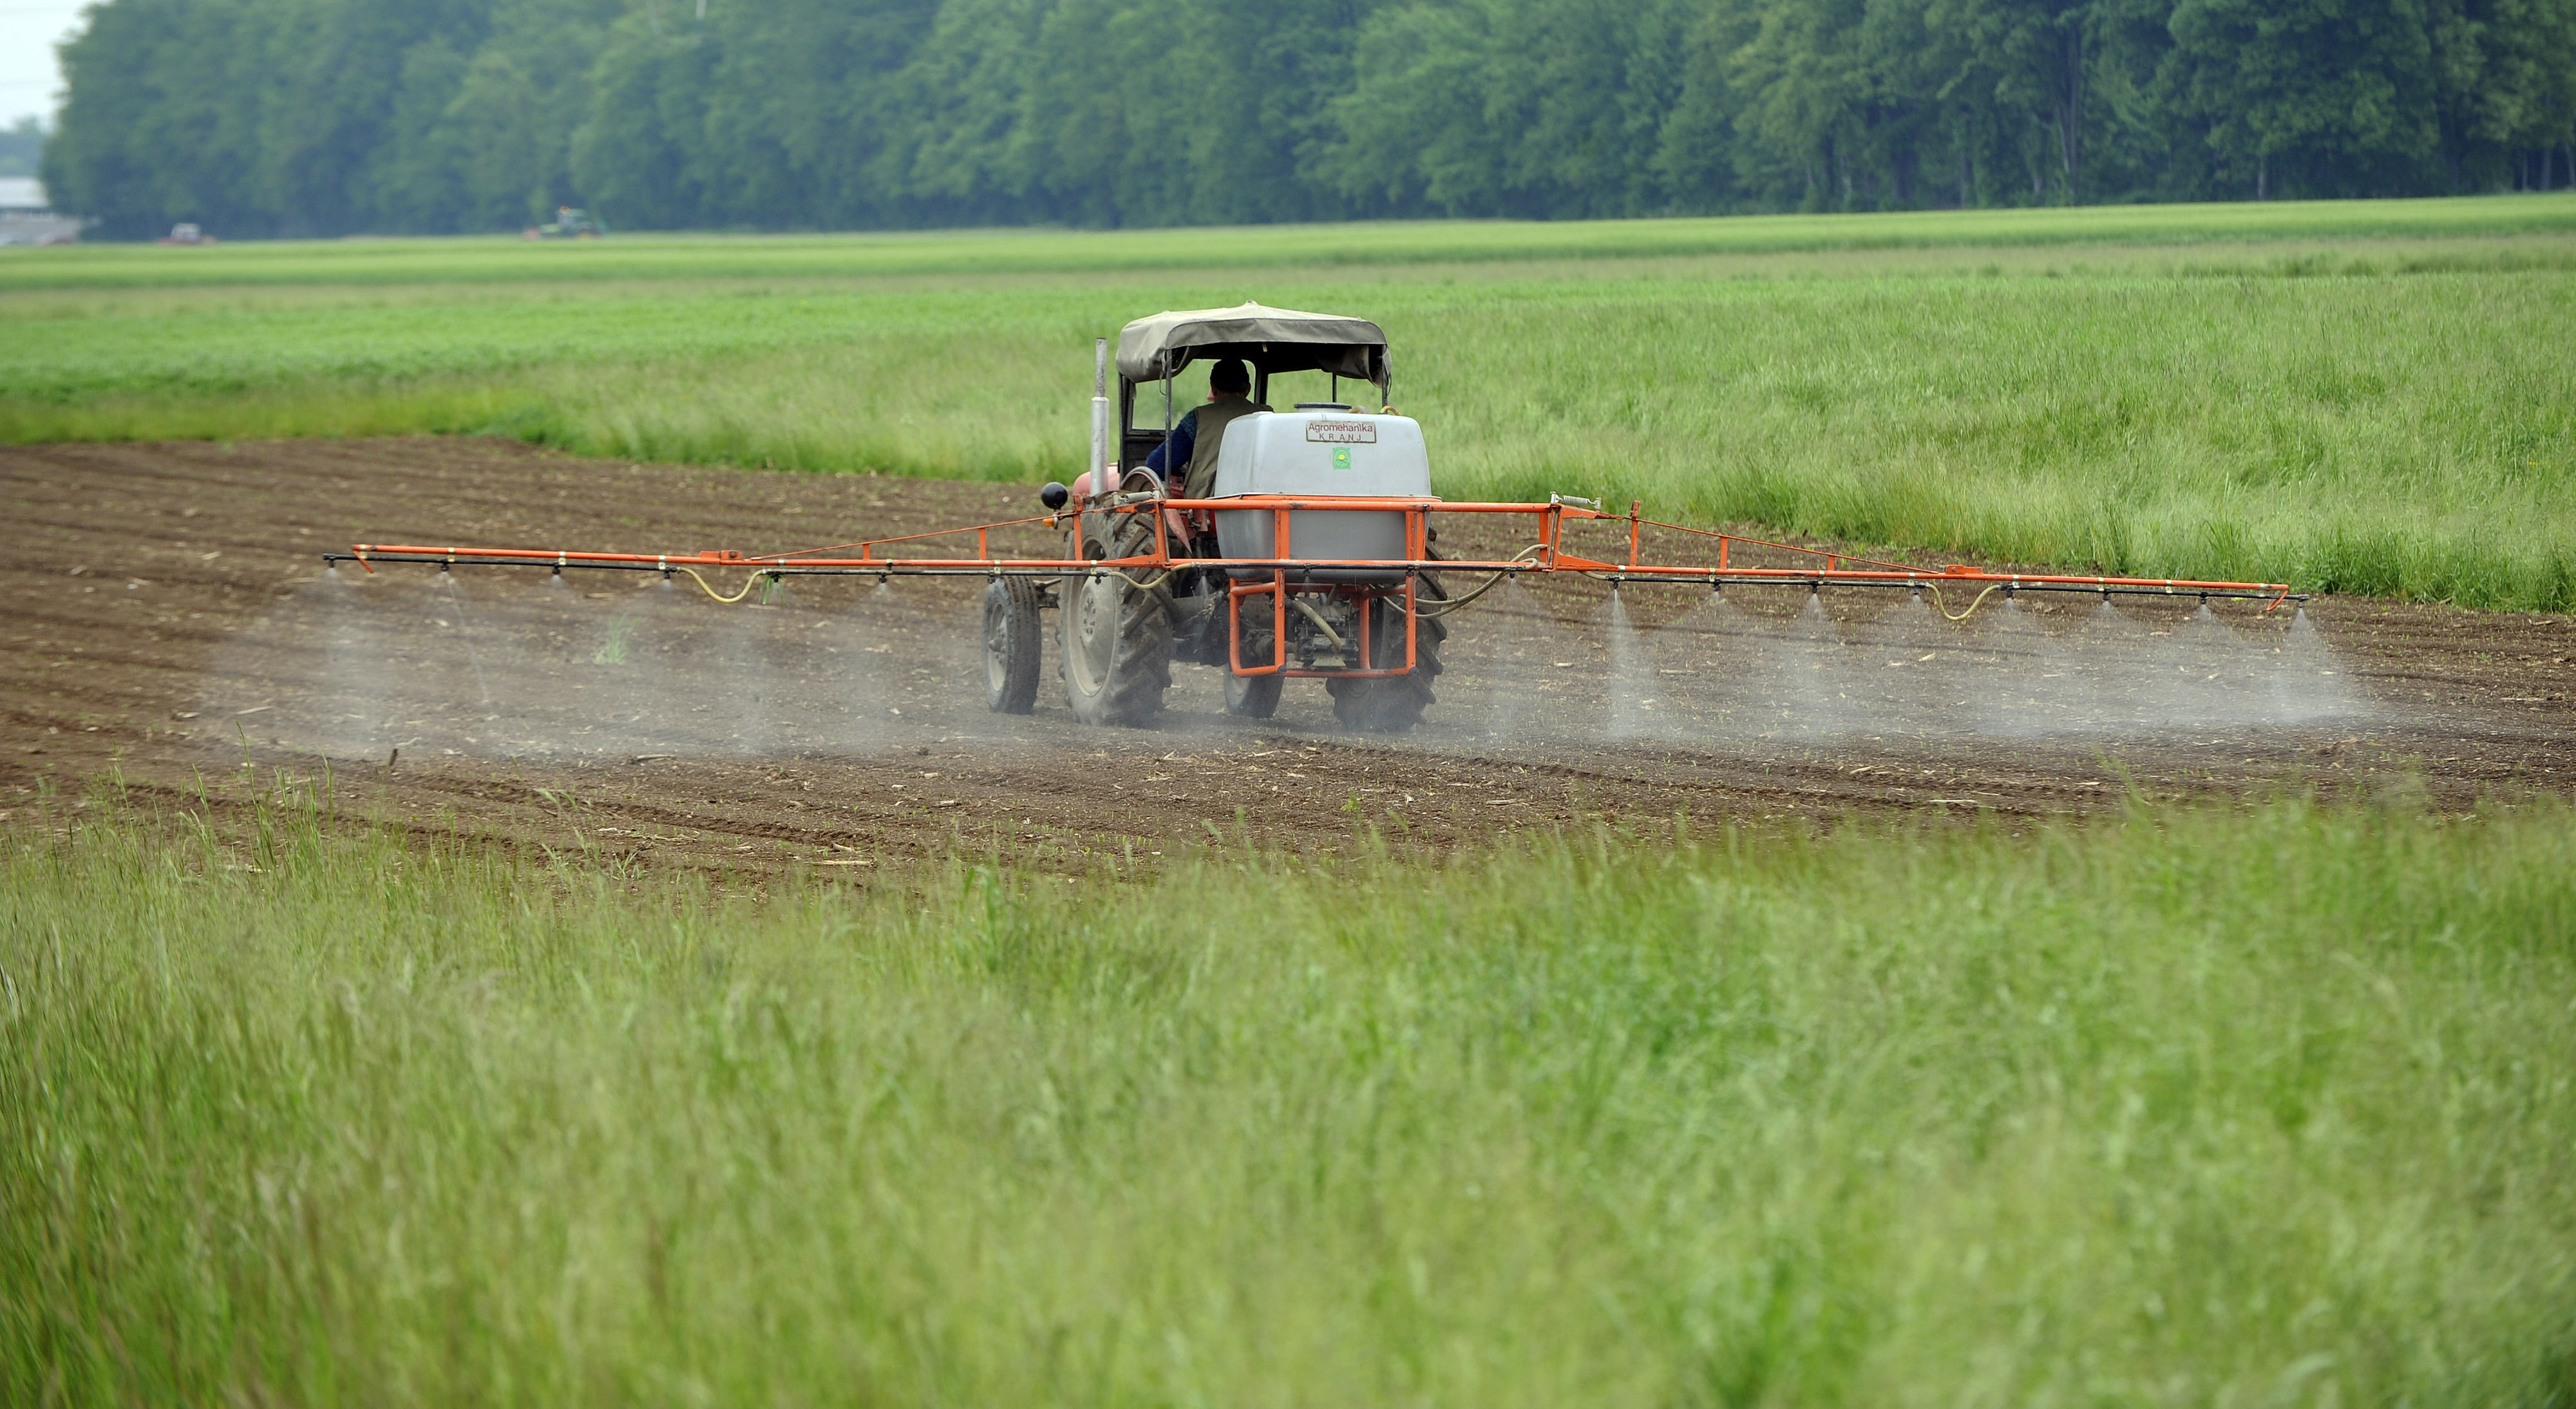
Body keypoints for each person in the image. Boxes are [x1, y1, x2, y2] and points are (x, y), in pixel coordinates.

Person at [1144, 358, 1269, 503]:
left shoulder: (1197, 419)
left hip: (1207, 510)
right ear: (1247, 389)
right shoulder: (1268, 417)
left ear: (1213, 388)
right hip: (1263, 505)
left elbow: (1157, 465)